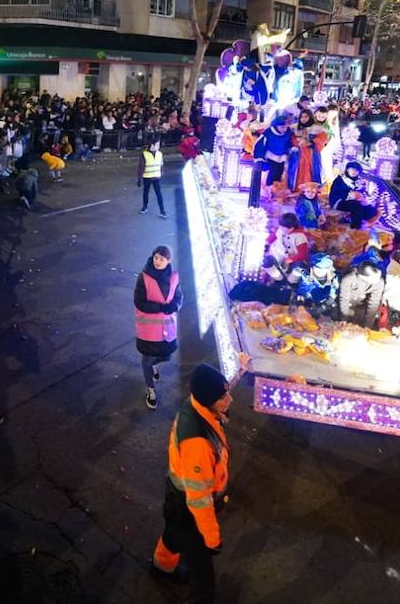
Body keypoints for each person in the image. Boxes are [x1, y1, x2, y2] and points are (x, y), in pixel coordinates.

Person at [151, 363, 231, 603]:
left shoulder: (195, 405)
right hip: (190, 514)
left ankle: (161, 567)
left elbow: (213, 390)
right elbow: (198, 500)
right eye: (223, 396)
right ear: (210, 400)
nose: (230, 399)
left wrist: (241, 369)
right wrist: (212, 538)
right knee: (203, 579)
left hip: (176, 500)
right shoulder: (197, 443)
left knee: (172, 535)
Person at [134, 245, 183, 411]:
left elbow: (178, 297)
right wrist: (161, 308)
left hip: (167, 328)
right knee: (147, 359)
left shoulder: (174, 277)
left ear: (168, 260)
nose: (158, 261)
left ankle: (153, 366)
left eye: (161, 259)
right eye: (155, 257)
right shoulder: (144, 277)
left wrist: (174, 306)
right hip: (148, 329)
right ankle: (150, 389)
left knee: (167, 356)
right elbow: (139, 302)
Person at [138, 138, 167, 218]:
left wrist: (161, 173)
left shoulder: (160, 154)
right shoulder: (144, 154)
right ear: (152, 145)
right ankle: (145, 207)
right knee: (146, 193)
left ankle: (162, 211)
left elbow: (161, 164)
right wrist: (139, 178)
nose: (158, 146)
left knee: (159, 194)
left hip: (156, 177)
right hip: (147, 177)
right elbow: (141, 167)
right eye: (157, 145)